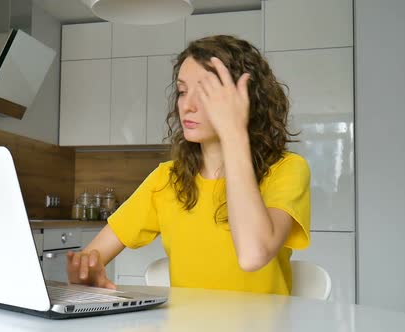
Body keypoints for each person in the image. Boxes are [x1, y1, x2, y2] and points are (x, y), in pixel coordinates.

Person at [66, 35, 310, 295]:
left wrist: (233, 132)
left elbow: (252, 255)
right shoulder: (166, 178)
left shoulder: (287, 169)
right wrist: (83, 272)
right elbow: (90, 257)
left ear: (246, 100)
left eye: (206, 93)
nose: (187, 106)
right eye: (182, 92)